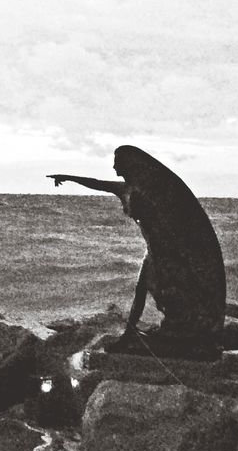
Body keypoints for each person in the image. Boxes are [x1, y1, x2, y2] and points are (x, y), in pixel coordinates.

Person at [49, 145, 226, 342]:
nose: (114, 165)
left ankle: (180, 329)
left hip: (165, 252)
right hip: (152, 250)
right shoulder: (124, 189)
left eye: (118, 161)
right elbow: (96, 183)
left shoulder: (152, 191)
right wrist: (66, 177)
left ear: (129, 164)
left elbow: (176, 219)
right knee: (141, 289)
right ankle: (130, 333)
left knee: (164, 290)